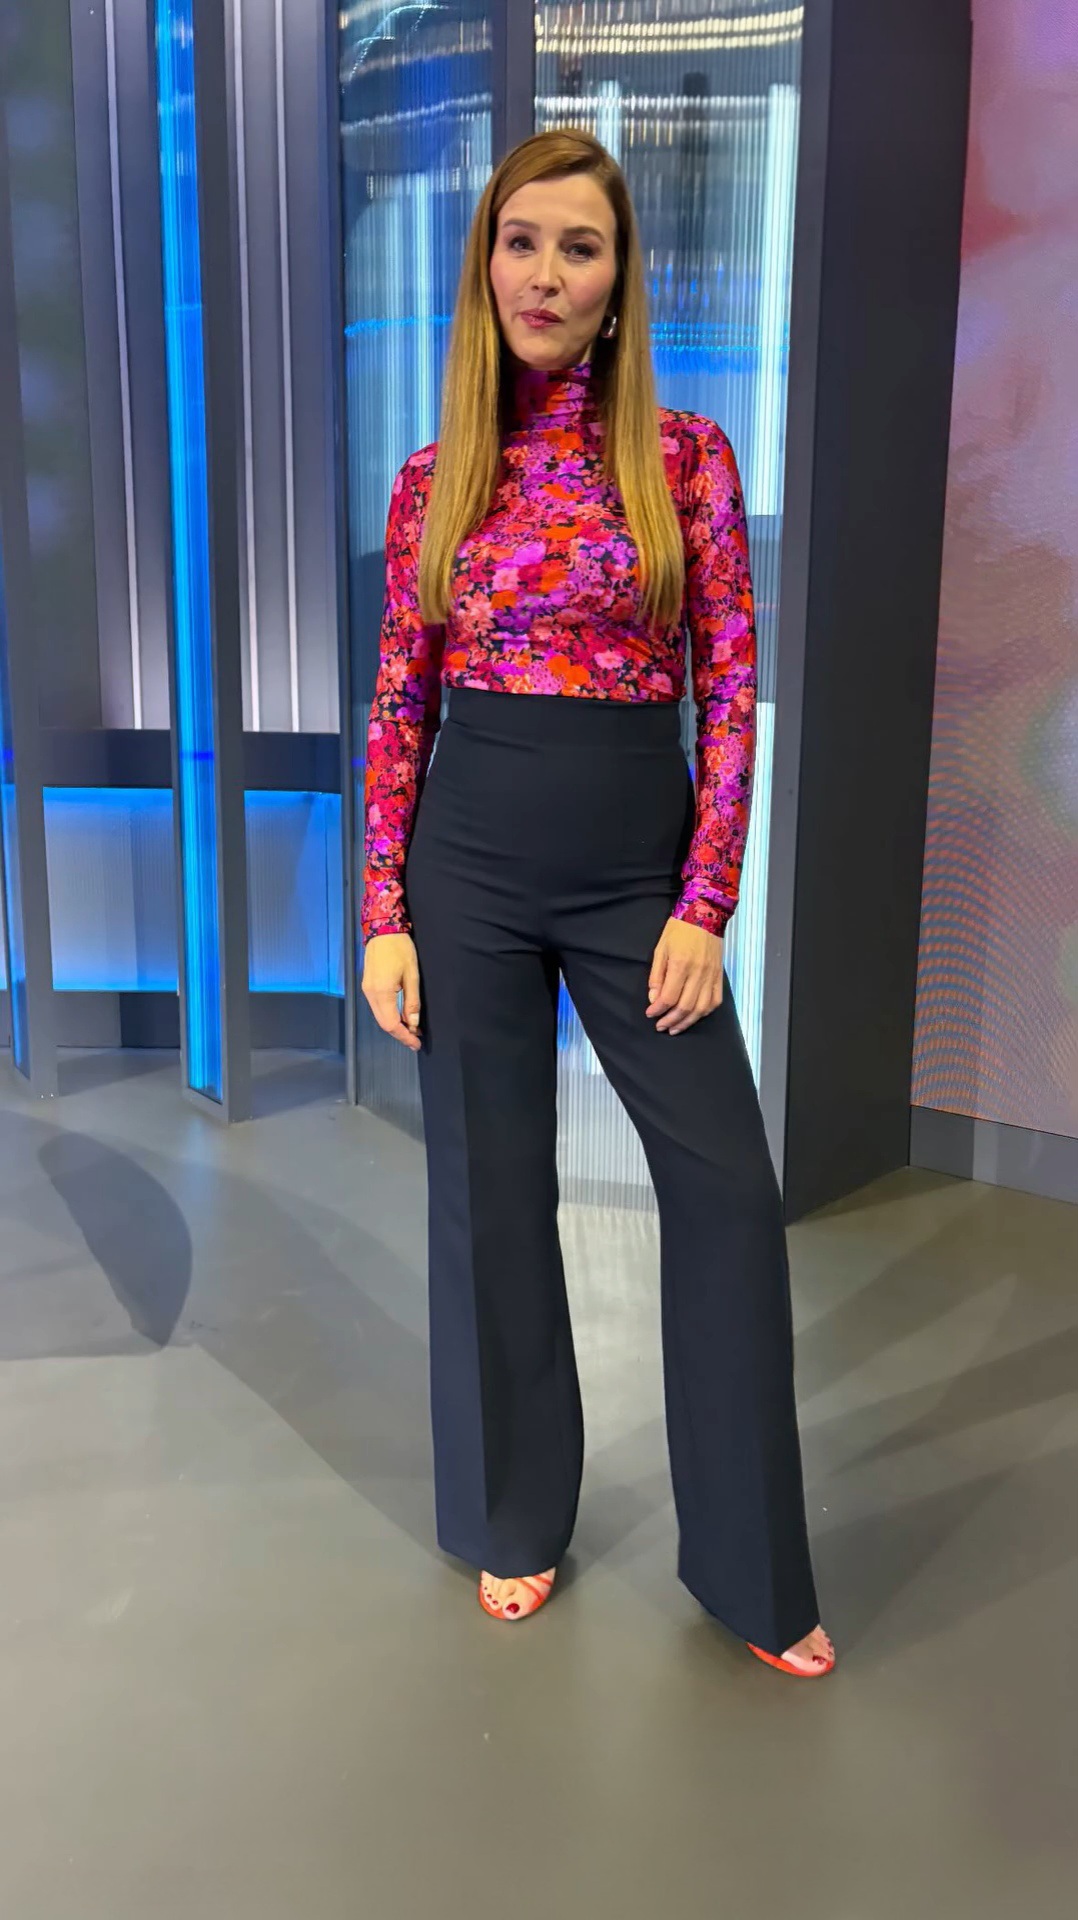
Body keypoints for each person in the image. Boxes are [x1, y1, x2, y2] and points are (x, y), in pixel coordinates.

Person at [360, 128, 835, 1677]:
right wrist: (382, 913)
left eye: (580, 246)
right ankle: (513, 1514)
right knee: (488, 1197)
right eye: (521, 241)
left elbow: (733, 693)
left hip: (641, 870)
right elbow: (398, 705)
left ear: (621, 278)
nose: (545, 274)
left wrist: (706, 903)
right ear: (483, 265)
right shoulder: (433, 480)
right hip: (468, 869)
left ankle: (753, 1574)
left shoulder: (684, 458)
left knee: (725, 1196)